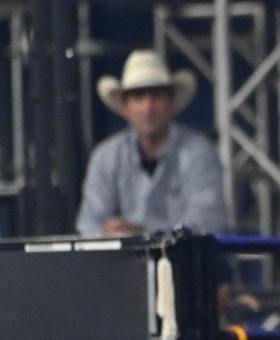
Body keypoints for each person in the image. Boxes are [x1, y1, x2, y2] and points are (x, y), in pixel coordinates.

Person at [77, 49, 225, 237]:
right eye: (139, 96)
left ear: (171, 102)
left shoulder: (199, 152)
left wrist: (140, 230)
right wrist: (110, 233)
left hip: (186, 264)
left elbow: (207, 220)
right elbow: (88, 222)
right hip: (121, 264)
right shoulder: (106, 155)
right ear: (125, 107)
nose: (148, 108)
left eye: (156, 95)